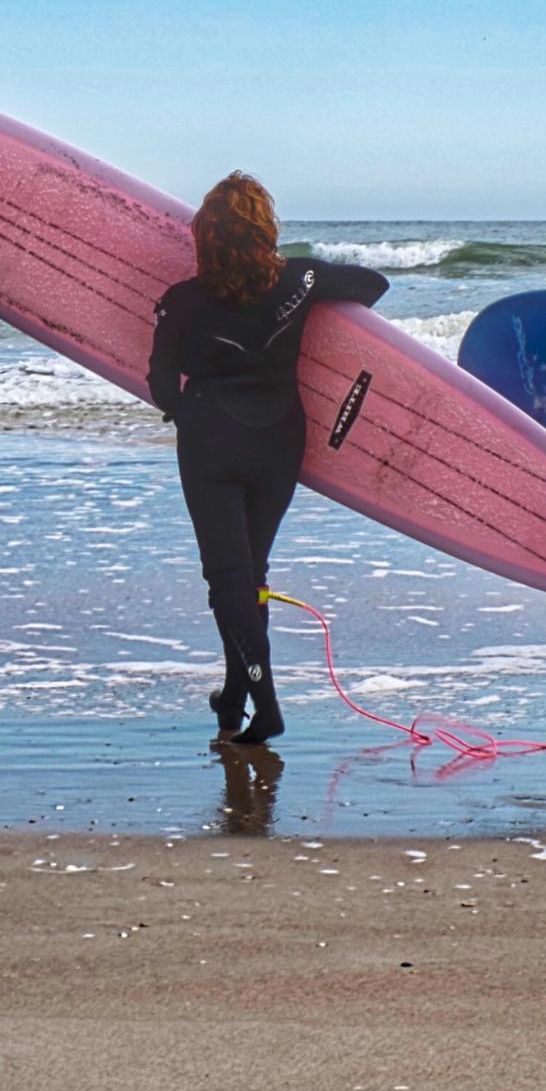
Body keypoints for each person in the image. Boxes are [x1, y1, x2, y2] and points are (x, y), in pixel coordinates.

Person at [148, 174, 389, 744]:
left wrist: (189, 409)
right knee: (249, 578)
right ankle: (236, 696)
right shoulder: (302, 279)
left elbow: (161, 386)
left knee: (227, 580)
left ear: (204, 236)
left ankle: (267, 703)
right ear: (265, 229)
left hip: (210, 437)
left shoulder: (181, 300)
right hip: (280, 438)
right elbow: (373, 284)